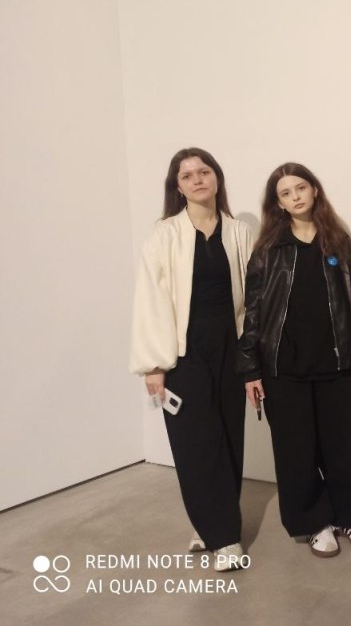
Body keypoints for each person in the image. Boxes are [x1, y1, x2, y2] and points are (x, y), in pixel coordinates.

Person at [238, 162, 351, 558]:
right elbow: (252, 313)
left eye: (301, 187)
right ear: (278, 204)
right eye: (285, 192)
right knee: (296, 452)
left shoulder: (340, 244)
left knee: (344, 447)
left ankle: (350, 516)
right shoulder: (268, 251)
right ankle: (315, 523)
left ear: (315, 190)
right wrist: (250, 368)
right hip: (283, 369)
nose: (295, 196)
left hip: (336, 365)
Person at [129, 147, 254, 572]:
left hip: (231, 348)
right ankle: (223, 537)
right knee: (195, 443)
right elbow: (150, 300)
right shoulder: (163, 234)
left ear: (217, 178)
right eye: (187, 175)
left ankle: (211, 521)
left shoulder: (239, 232)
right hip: (183, 353)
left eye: (204, 171)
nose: (197, 179)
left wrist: (253, 357)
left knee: (230, 438)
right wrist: (154, 364)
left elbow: (252, 299)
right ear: (178, 187)